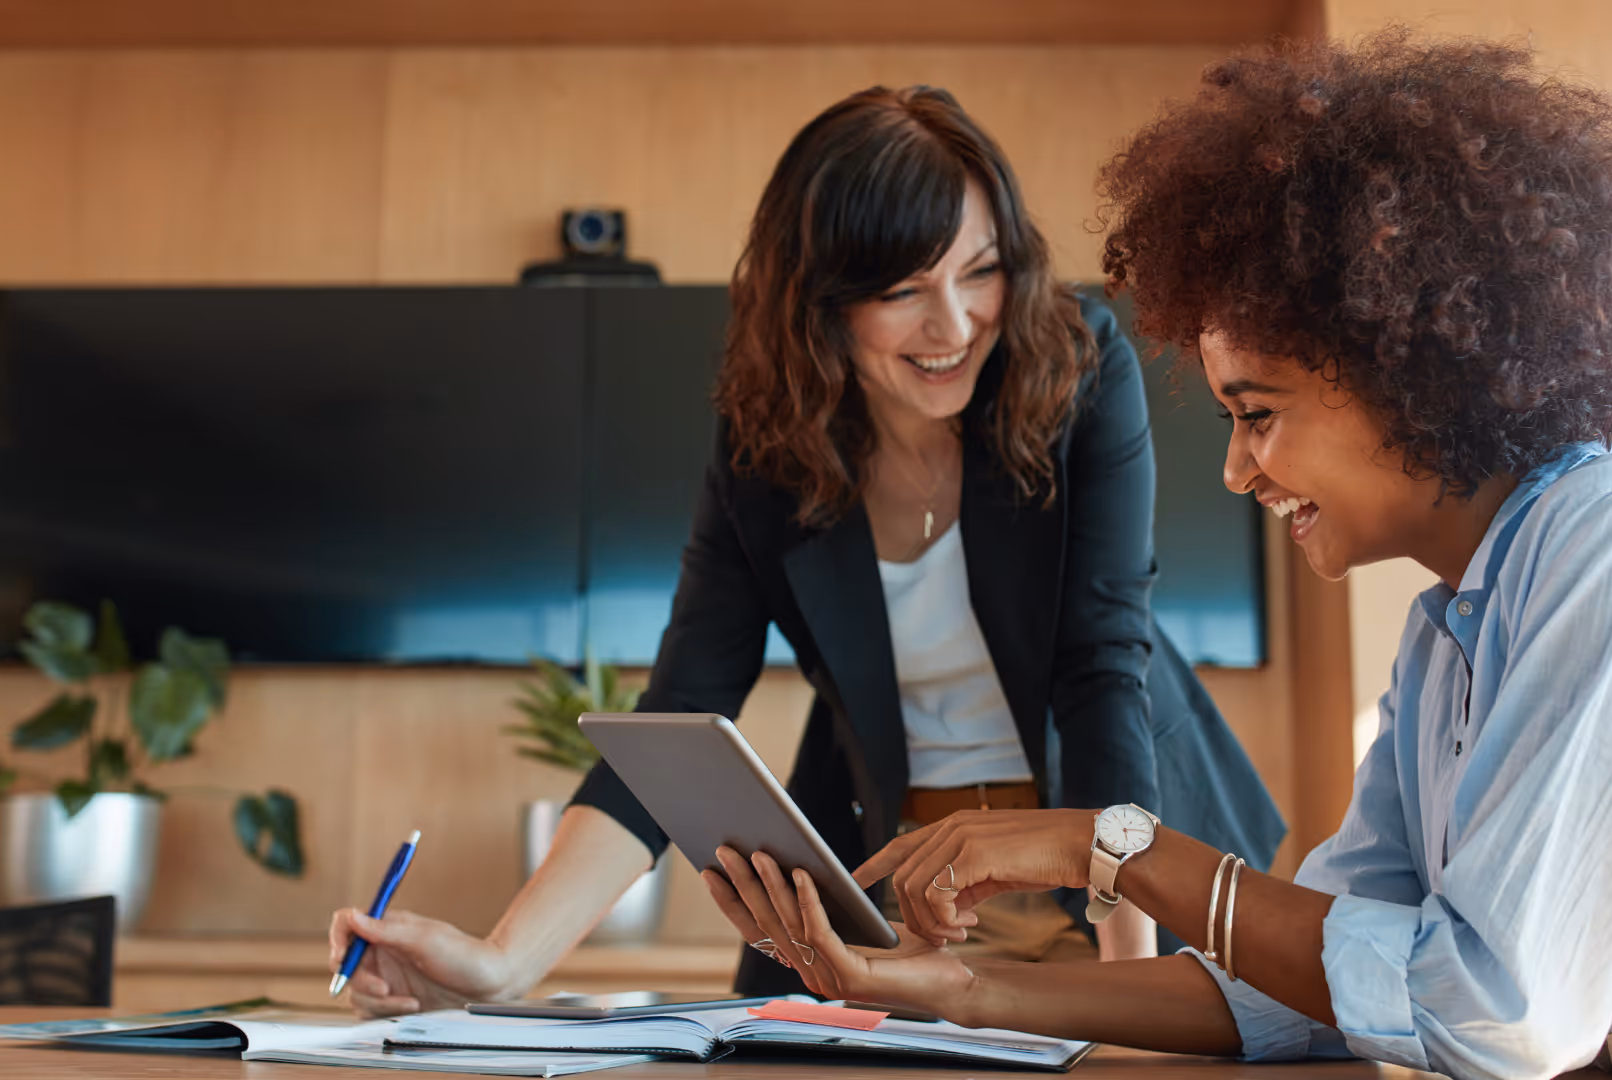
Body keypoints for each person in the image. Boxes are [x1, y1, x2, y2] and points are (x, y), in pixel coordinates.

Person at [703, 33, 1612, 1080]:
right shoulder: (1447, 639)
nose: (1238, 470)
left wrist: (1113, 846)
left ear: (1405, 367)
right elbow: (1308, 993)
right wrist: (959, 990)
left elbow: (1499, 1012)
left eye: (1257, 413)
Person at [329, 85, 1283, 1014]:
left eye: (980, 270)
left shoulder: (1076, 366)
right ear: (821, 303)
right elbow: (682, 711)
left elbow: (1100, 666)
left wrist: (1129, 988)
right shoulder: (768, 443)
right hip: (904, 898)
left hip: (1119, 877)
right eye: (904, 290)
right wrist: (499, 964)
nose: (954, 325)